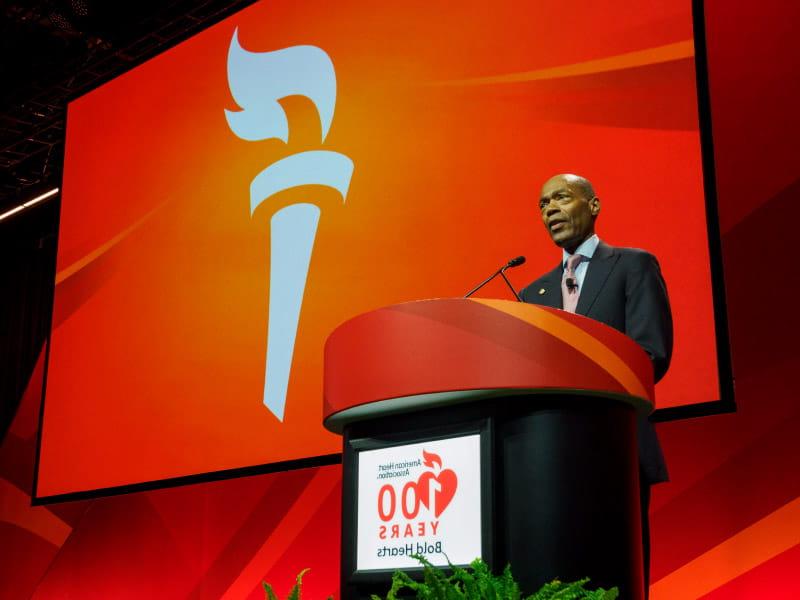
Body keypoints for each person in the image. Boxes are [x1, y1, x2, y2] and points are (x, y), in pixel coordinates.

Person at [519, 173, 672, 595]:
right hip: (548, 458)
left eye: (561, 198)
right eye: (543, 204)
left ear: (593, 205)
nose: (550, 209)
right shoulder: (532, 295)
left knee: (615, 573)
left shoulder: (633, 265)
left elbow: (650, 353)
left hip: (616, 443)